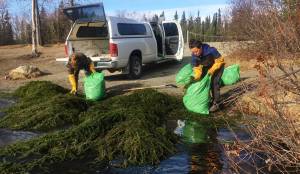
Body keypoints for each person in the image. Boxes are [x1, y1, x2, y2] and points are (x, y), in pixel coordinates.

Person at [188, 39, 225, 112]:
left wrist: (212, 70)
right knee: (203, 82)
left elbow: (220, 61)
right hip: (207, 67)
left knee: (214, 83)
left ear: (200, 47)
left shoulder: (211, 50)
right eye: (193, 52)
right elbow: (197, 68)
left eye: (196, 51)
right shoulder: (194, 56)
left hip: (218, 67)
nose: (195, 53)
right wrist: (196, 77)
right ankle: (207, 99)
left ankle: (217, 103)